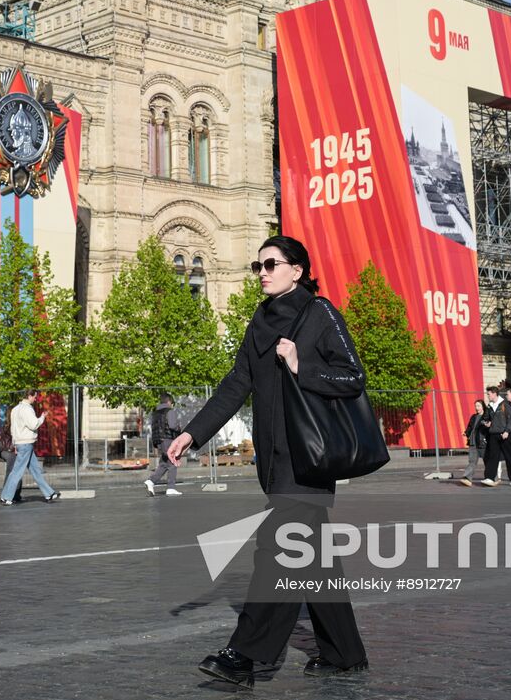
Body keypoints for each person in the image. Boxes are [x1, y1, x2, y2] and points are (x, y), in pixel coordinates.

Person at [166, 236, 369, 687]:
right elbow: (235, 384)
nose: (262, 272)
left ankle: (245, 655)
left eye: (271, 264)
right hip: (274, 463)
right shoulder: (260, 321)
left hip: (309, 460)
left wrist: (301, 366)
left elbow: (353, 377)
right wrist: (192, 432)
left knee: (277, 551)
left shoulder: (320, 313)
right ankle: (345, 653)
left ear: (297, 270)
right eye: (258, 265)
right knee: (314, 562)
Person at [0, 389, 59, 505]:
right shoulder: (27, 409)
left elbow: (13, 429)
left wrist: (15, 443)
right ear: (30, 396)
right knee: (17, 471)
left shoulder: (15, 409)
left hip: (21, 443)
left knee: (35, 470)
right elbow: (33, 424)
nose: (36, 399)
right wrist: (42, 417)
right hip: (26, 443)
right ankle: (6, 497)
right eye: (35, 397)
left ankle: (49, 493)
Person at [144, 393, 184, 496]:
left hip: (159, 441)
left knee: (164, 463)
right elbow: (173, 426)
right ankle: (171, 488)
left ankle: (151, 481)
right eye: (172, 403)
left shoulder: (155, 413)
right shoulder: (170, 411)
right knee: (173, 461)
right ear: (169, 402)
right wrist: (179, 428)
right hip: (168, 440)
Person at [481, 385, 511, 486]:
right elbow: (485, 418)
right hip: (493, 435)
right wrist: (486, 423)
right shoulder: (489, 406)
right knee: (492, 457)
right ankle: (489, 478)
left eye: (489, 394)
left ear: (494, 394)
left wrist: (507, 431)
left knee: (509, 457)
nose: (487, 396)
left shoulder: (505, 404)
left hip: (504, 435)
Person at [457, 400, 488, 486]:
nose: (476, 408)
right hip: (473, 442)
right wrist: (466, 433)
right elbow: (470, 427)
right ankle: (467, 478)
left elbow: (488, 428)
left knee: (488, 461)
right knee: (472, 461)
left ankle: (492, 478)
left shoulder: (486, 417)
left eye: (478, 406)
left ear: (483, 406)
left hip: (482, 442)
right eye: (476, 406)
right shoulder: (474, 417)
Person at [0, 418, 24, 504]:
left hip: (7, 451)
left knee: (16, 471)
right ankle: (8, 495)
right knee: (13, 471)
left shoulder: (8, 423)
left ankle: (14, 495)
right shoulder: (13, 424)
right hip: (9, 451)